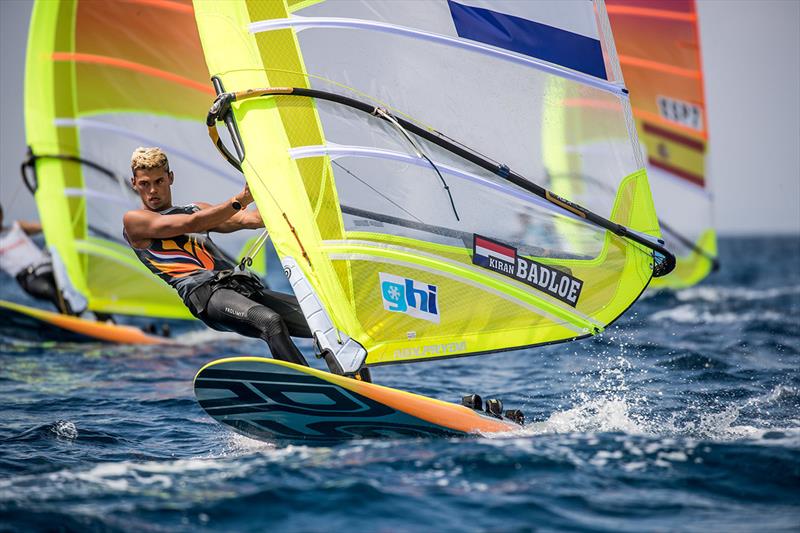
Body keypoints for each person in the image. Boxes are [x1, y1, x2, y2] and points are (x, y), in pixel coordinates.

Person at [122, 147, 326, 371]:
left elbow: (252, 219)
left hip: (241, 287)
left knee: (325, 321)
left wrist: (284, 183)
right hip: (207, 296)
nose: (152, 190)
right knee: (269, 321)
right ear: (134, 183)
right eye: (144, 183)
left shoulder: (196, 209)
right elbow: (192, 224)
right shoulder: (135, 221)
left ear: (170, 178)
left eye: (159, 181)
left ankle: (353, 381)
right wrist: (239, 200)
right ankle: (307, 385)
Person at [0, 204, 75, 315]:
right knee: (51, 292)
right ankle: (75, 318)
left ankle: (104, 320)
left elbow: (44, 227)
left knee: (76, 291)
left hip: (51, 268)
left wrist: (64, 220)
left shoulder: (17, 226)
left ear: (1, 215)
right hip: (31, 279)